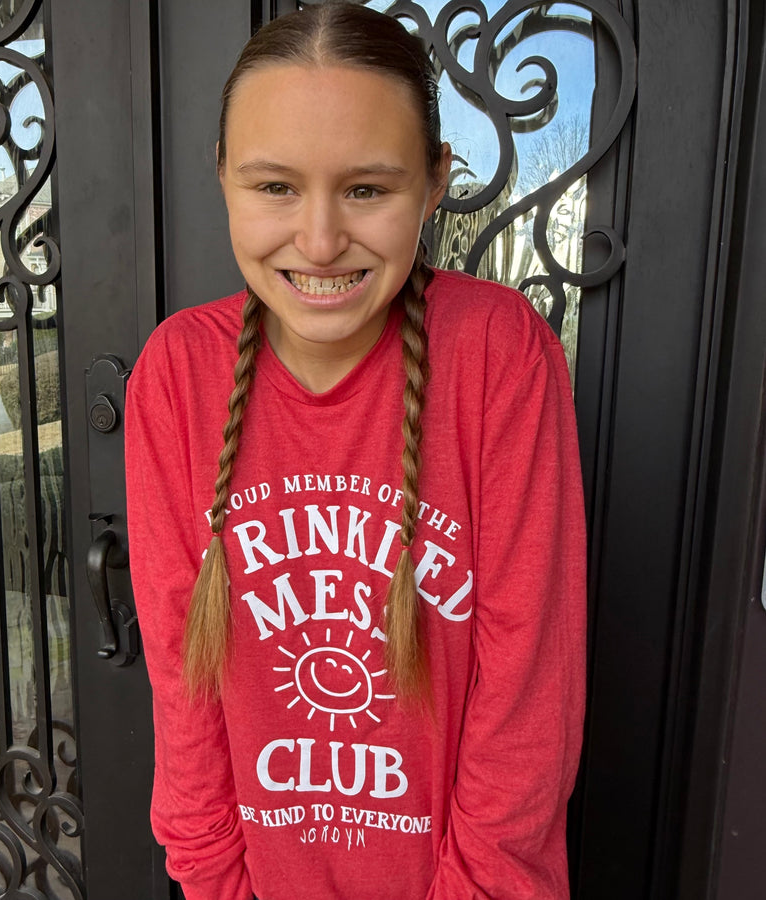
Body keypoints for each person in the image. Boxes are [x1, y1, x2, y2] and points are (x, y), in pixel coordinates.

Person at [125, 3, 586, 898]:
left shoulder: (498, 355)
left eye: (368, 189)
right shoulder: (179, 372)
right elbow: (184, 677)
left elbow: (531, 694)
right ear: (221, 176)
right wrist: (218, 884)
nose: (322, 239)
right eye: (274, 187)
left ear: (436, 181)